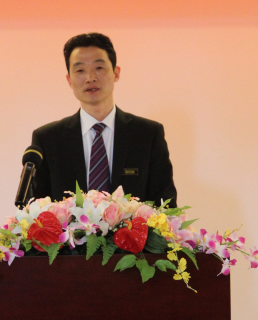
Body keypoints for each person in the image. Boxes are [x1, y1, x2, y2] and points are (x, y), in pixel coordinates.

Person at [30, 32, 177, 207]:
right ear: (69, 80)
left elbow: (166, 206)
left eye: (99, 68)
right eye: (80, 70)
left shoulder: (148, 135)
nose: (90, 78)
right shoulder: (48, 139)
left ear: (116, 73)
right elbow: (35, 209)